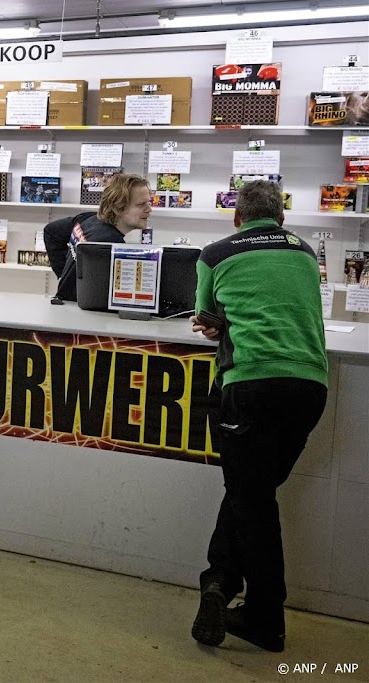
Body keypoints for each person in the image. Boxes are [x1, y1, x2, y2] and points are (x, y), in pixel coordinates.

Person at [189, 180, 328, 653]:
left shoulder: (215, 252)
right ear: (282, 218)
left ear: (236, 217)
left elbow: (206, 314)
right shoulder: (306, 252)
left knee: (254, 502)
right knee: (253, 492)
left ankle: (266, 616)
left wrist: (217, 324)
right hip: (311, 387)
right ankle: (219, 585)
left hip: (251, 384)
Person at [43, 173, 151, 301]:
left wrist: (64, 277)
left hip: (70, 305)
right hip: (83, 315)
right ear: (118, 208)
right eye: (140, 204)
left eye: (148, 203)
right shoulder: (110, 244)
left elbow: (51, 231)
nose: (149, 209)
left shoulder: (89, 219)